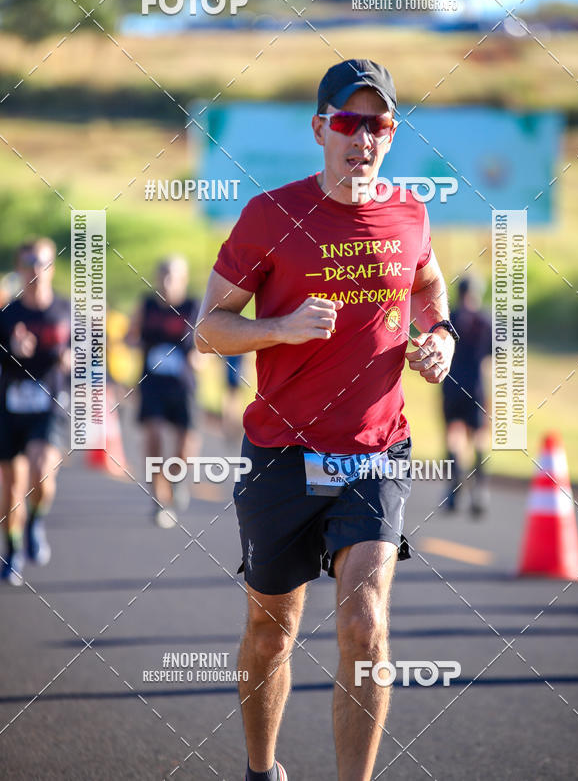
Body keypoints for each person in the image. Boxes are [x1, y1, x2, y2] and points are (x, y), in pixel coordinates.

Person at [196, 58, 457, 781]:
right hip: (281, 452)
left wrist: (439, 336)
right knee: (270, 631)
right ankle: (261, 768)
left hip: (375, 452)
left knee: (363, 624)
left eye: (376, 124)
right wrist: (279, 328)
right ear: (320, 129)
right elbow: (210, 328)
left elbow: (429, 284)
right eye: (348, 121)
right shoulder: (270, 216)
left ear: (391, 133)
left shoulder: (410, 212)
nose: (362, 137)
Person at [0, 238, 70, 587]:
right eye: (28, 263)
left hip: (49, 405)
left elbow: (92, 358)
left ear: (51, 267)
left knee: (42, 472)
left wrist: (73, 361)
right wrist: (11, 351)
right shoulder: (7, 315)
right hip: (10, 408)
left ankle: (35, 522)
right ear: (20, 268)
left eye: (42, 262)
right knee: (10, 490)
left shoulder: (67, 312)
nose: (36, 270)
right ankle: (12, 551)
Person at [128, 256, 202, 528]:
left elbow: (205, 344)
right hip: (152, 386)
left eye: (173, 277)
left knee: (186, 449)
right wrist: (130, 340)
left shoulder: (193, 307)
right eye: (163, 276)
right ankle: (159, 501)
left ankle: (177, 479)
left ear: (183, 280)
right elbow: (130, 333)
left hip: (183, 388)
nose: (167, 283)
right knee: (154, 438)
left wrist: (200, 358)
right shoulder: (147, 305)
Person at [441, 274, 492, 516]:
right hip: (477, 385)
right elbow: (490, 361)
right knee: (480, 436)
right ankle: (479, 489)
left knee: (454, 434)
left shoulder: (449, 320)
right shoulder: (485, 321)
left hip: (451, 383)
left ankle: (454, 489)